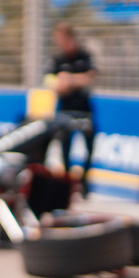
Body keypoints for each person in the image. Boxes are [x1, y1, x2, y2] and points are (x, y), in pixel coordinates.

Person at [44, 21, 97, 197]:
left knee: (89, 146)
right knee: (65, 147)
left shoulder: (84, 55)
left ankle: (84, 182)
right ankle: (67, 184)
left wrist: (69, 80)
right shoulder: (57, 59)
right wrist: (71, 82)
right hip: (64, 111)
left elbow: (90, 77)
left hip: (85, 109)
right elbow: (52, 84)